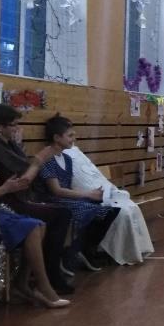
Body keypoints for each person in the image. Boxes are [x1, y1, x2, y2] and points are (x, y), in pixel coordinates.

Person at [0, 110, 69, 308]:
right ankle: (44, 286)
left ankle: (24, 282)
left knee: (40, 224)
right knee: (36, 224)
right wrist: (8, 187)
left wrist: (7, 187)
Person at [0, 104, 75, 294]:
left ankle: (47, 271)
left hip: (22, 197)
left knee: (62, 213)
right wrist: (39, 160)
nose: (17, 129)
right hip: (8, 203)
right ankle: (49, 274)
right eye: (13, 125)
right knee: (60, 214)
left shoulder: (9, 144)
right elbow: (25, 177)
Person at [39, 115, 120, 273]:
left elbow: (68, 187)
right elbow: (56, 191)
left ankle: (85, 249)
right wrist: (88, 194)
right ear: (56, 138)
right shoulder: (47, 160)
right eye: (70, 135)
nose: (73, 139)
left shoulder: (67, 159)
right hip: (53, 200)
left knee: (110, 209)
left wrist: (93, 195)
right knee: (88, 209)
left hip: (67, 199)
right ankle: (69, 253)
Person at [64, 144, 154, 265]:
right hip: (82, 200)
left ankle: (139, 248)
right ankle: (112, 251)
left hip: (97, 195)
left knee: (132, 207)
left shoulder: (75, 153)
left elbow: (95, 175)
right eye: (70, 136)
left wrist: (110, 191)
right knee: (120, 211)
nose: (73, 139)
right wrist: (93, 194)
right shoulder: (64, 158)